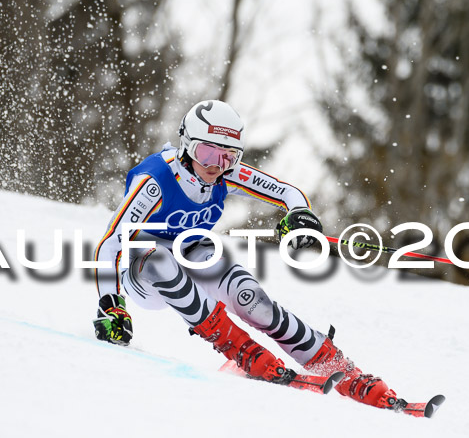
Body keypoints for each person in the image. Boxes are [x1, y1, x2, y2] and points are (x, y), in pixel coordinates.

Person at [92, 100, 401, 410]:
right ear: (187, 145)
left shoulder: (226, 174)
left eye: (228, 156)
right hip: (144, 272)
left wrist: (299, 215)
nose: (216, 165)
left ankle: (337, 367)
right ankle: (243, 351)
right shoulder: (155, 181)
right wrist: (110, 305)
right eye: (207, 153)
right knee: (161, 260)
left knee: (249, 297)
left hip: (192, 255)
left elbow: (287, 193)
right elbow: (110, 243)